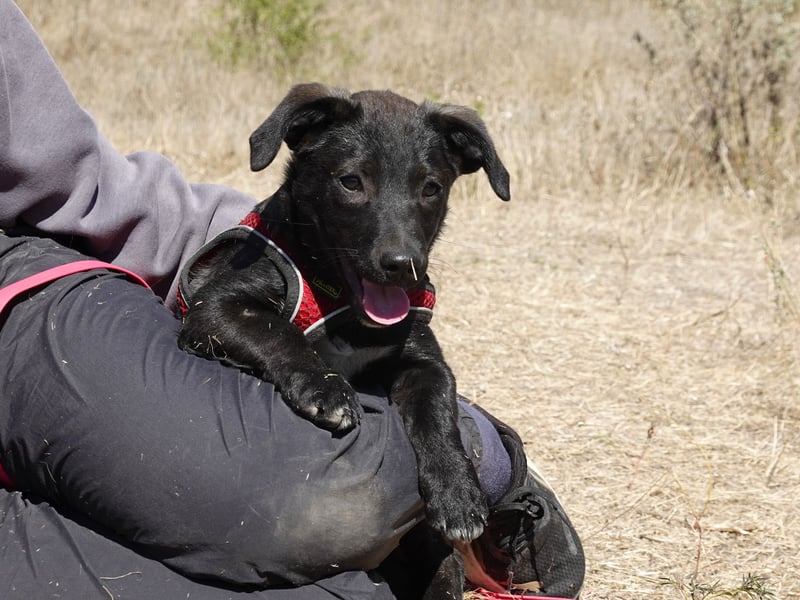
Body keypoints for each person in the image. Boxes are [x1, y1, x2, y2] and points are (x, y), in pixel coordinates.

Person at [0, 1, 585, 598]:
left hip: (28, 280)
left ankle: (478, 460)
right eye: (354, 183)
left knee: (305, 490)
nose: (400, 246)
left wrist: (443, 453)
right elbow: (219, 317)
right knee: (257, 511)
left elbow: (78, 179)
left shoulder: (314, 266)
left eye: (429, 189)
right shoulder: (279, 268)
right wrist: (305, 370)